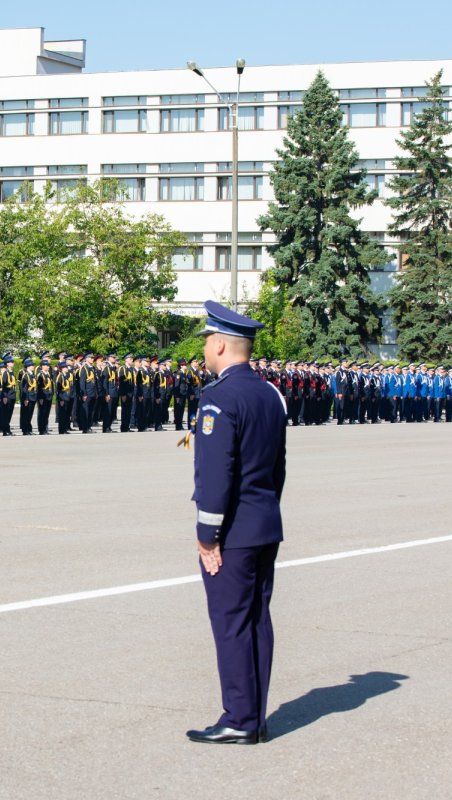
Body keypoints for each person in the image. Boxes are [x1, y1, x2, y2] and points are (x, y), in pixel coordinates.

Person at [187, 300, 287, 746]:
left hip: (234, 532)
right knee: (256, 620)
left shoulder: (220, 398)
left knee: (230, 622)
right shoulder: (270, 394)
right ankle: (255, 715)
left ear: (222, 344)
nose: (206, 350)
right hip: (265, 523)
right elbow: (278, 468)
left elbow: (215, 475)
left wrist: (208, 535)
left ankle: (239, 719)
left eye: (208, 342)